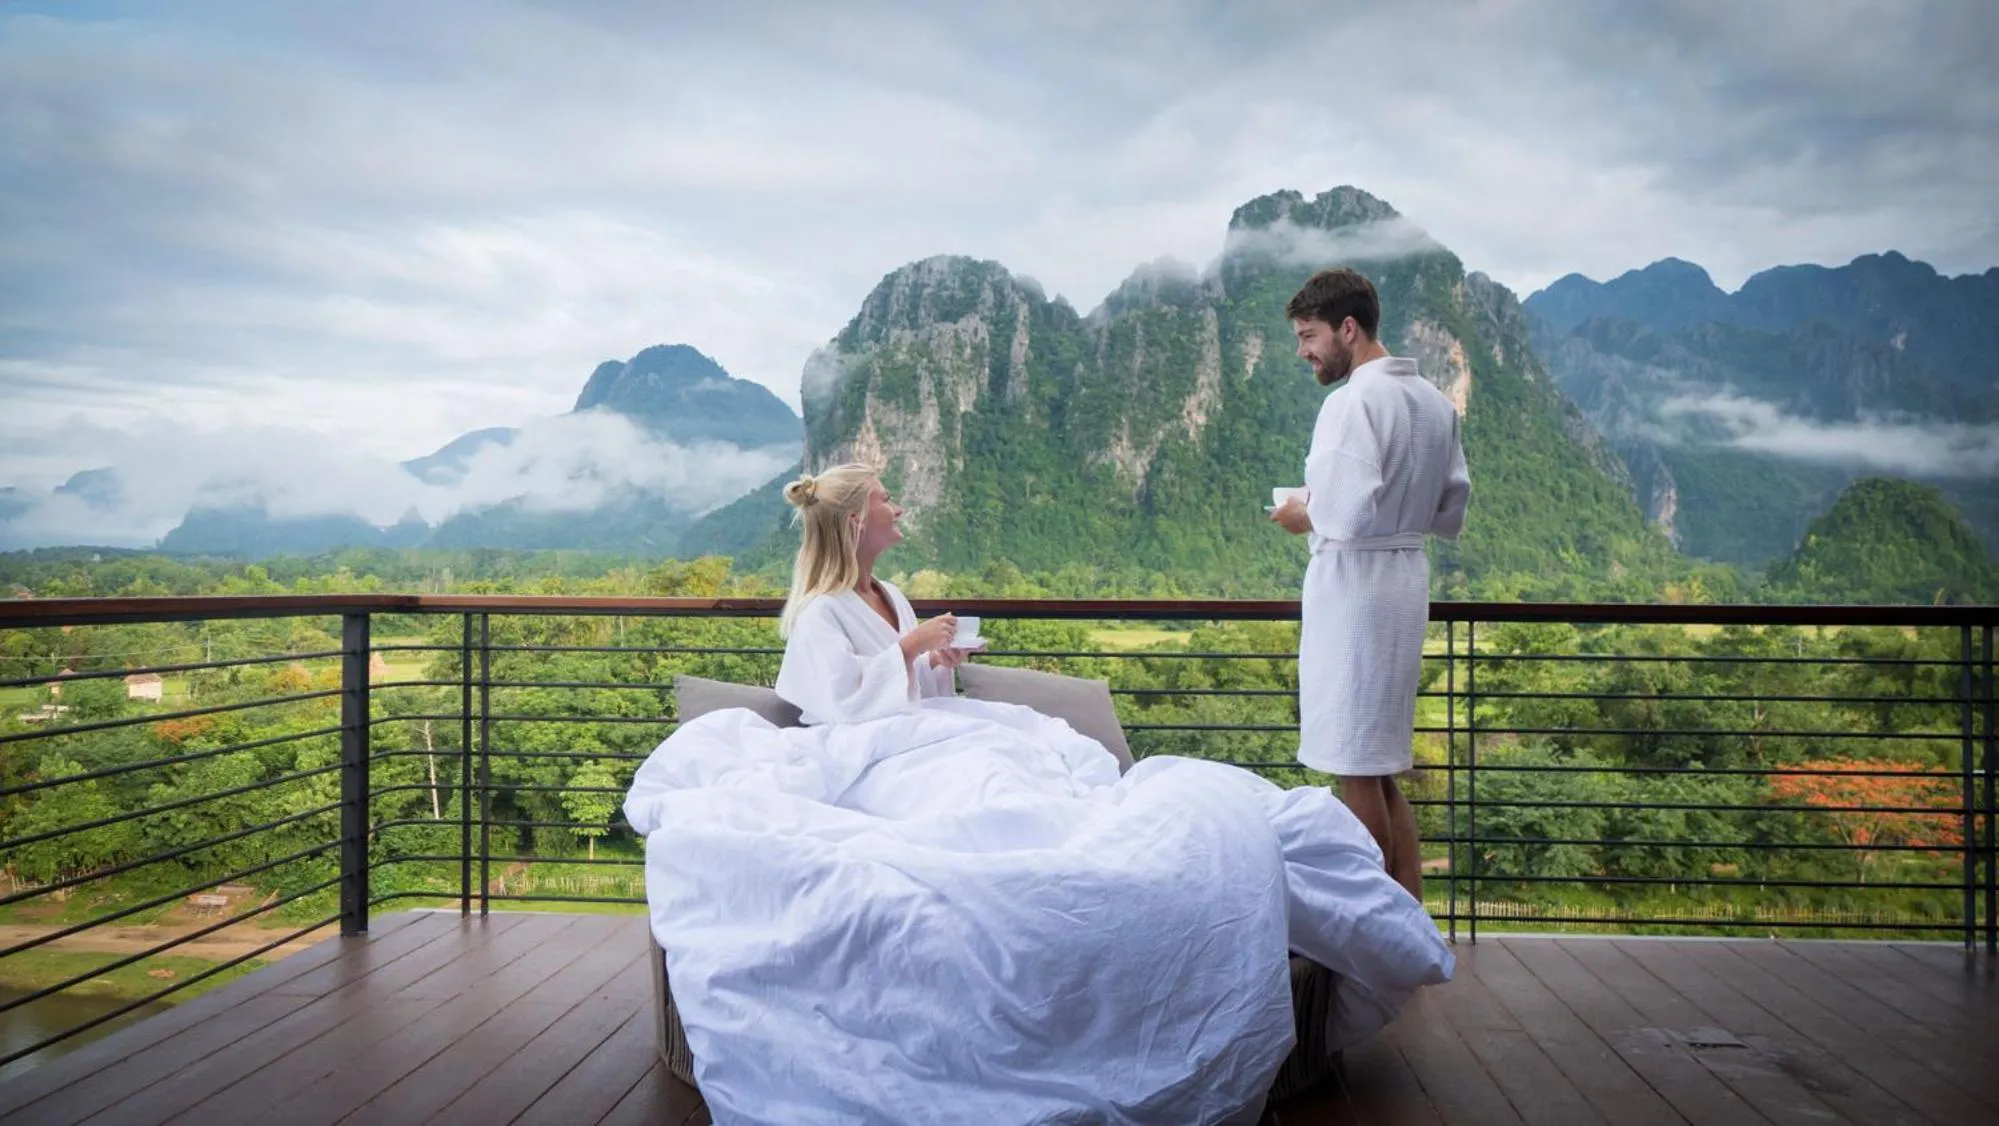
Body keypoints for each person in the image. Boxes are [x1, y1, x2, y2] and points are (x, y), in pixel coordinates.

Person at [1270, 266, 1471, 901]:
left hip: (1355, 594)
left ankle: (1373, 929)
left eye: (1309, 336)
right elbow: (1450, 511)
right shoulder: (1435, 403)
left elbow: (1346, 513)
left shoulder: (1351, 403)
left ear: (1348, 328)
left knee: (1354, 766)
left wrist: (1302, 512)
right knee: (1380, 768)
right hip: (1404, 583)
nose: (1303, 352)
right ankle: (1409, 922)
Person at [772, 462, 973, 724]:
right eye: (886, 500)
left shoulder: (893, 595)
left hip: (905, 729)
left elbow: (907, 690)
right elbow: (843, 701)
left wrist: (935, 660)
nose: (898, 510)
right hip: (859, 739)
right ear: (856, 519)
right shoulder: (819, 612)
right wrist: (912, 645)